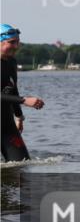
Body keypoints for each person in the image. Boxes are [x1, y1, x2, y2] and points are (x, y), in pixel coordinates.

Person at [1, 25, 45, 162]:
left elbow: (12, 89)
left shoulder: (12, 62)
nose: (16, 46)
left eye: (17, 42)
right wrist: (23, 100)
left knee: (21, 166)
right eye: (12, 42)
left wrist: (19, 116)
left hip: (6, 123)